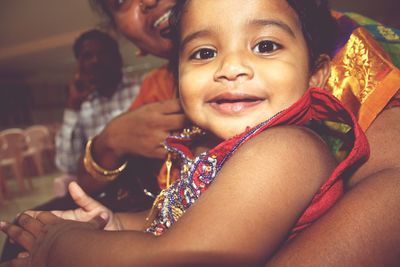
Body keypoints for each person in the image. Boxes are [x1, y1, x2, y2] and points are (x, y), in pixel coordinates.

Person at [0, 0, 372, 266]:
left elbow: (183, 256)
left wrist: (62, 249)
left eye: (265, 45)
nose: (230, 66)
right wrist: (114, 224)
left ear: (316, 74)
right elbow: (173, 214)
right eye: (204, 52)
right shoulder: (223, 150)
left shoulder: (286, 148)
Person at [55, 28, 141, 177]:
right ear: (80, 66)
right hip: (104, 187)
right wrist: (73, 106)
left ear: (118, 58)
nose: (95, 60)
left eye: (103, 53)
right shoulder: (82, 105)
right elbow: (66, 164)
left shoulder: (142, 87)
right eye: (87, 56)